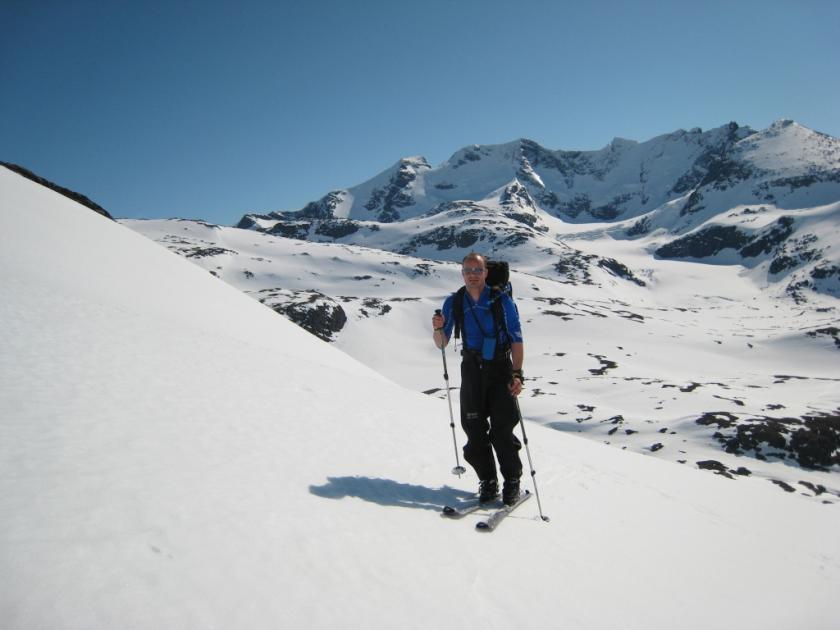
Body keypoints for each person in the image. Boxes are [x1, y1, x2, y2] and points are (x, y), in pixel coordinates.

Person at [432, 252, 525, 506]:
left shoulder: (501, 301)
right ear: (462, 273)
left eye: (477, 270)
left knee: (502, 429)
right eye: (468, 270)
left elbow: (516, 339)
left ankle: (512, 481)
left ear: (486, 272)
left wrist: (517, 374)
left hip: (500, 368)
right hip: (472, 369)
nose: (472, 275)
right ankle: (488, 480)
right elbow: (442, 343)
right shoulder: (455, 302)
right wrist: (438, 328)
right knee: (473, 429)